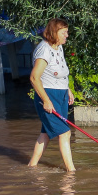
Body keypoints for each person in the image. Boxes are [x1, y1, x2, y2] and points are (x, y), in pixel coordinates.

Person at [28, 18, 75, 171]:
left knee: (46, 133)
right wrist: (46, 101)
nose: (67, 35)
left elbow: (60, 72)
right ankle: (71, 172)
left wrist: (67, 89)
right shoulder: (44, 50)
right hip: (48, 95)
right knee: (65, 133)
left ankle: (31, 167)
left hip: (60, 95)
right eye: (64, 32)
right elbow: (34, 78)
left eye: (67, 32)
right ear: (54, 33)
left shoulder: (58, 47)